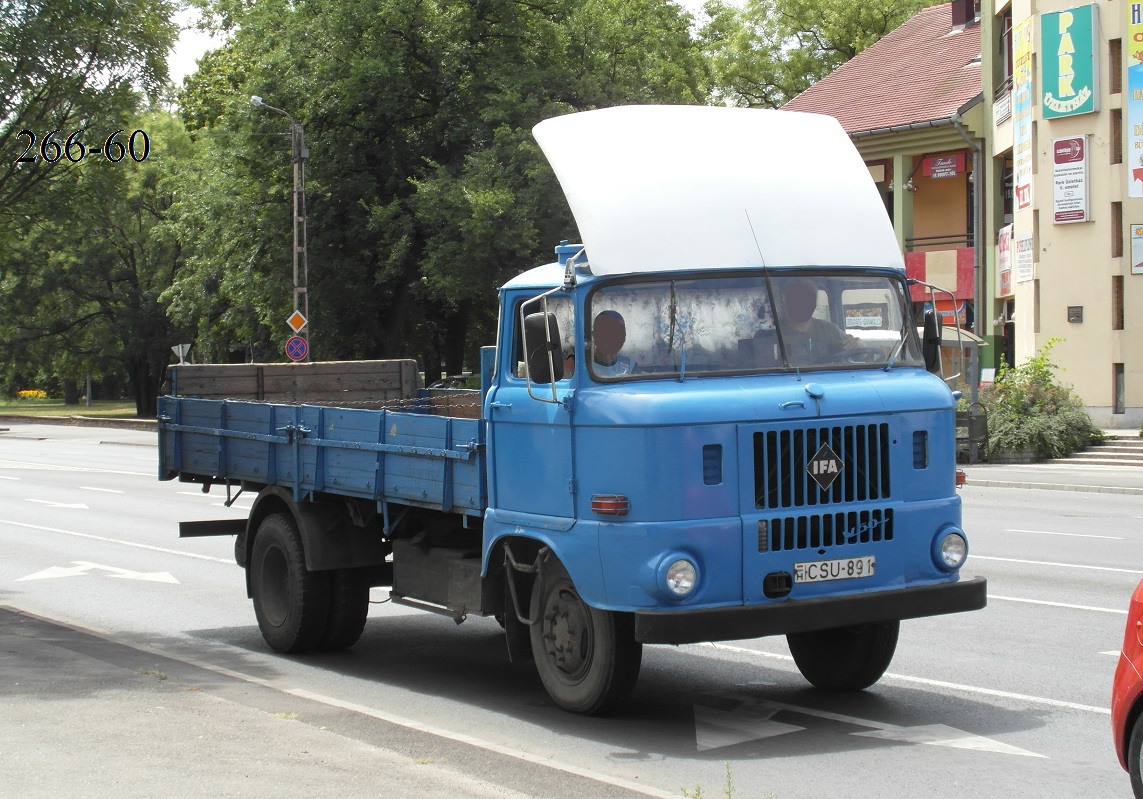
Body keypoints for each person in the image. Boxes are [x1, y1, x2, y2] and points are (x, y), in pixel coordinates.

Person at [776, 277, 859, 364]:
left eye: (807, 300)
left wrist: (856, 343)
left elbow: (858, 350)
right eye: (797, 299)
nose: (802, 304)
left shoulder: (829, 329)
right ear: (785, 299)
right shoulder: (770, 334)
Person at [591, 310, 636, 377]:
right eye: (605, 333)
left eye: (617, 333)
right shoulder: (583, 366)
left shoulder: (630, 366)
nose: (610, 338)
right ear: (594, 336)